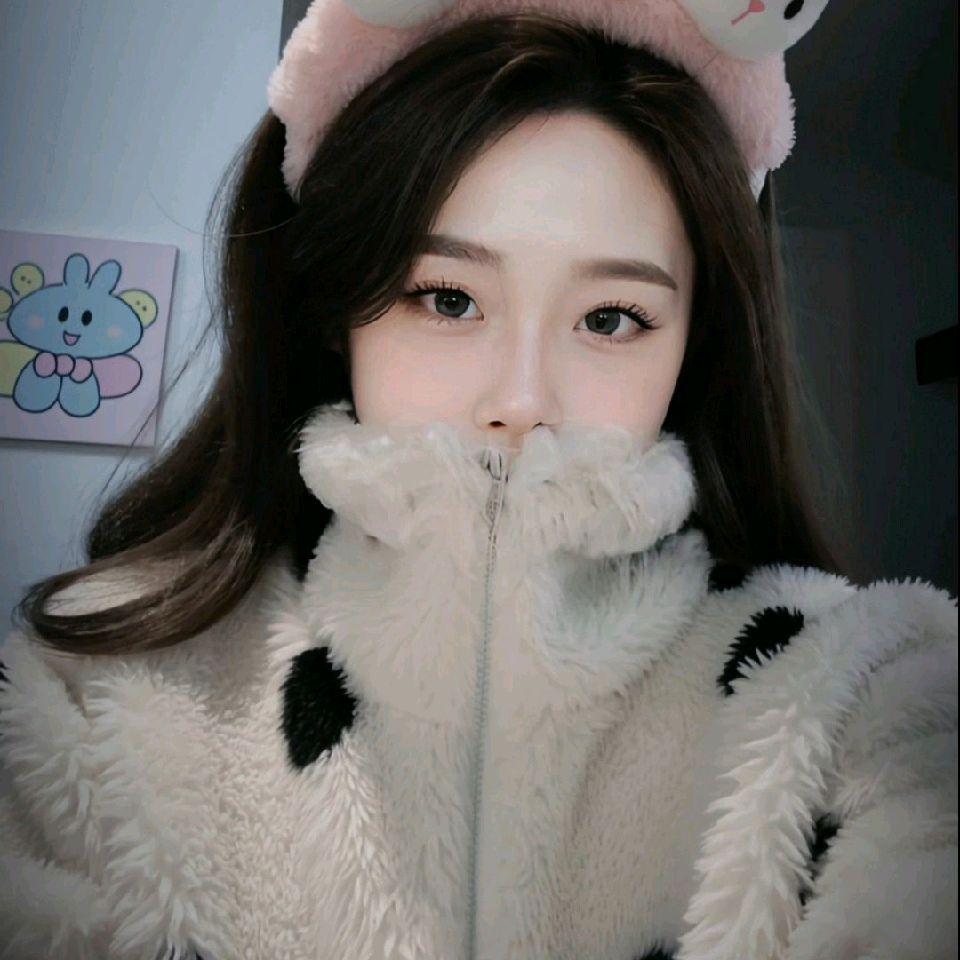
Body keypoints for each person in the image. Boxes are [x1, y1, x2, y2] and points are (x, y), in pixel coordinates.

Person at [1, 2, 956, 959]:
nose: (522, 402)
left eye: (612, 318)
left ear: (695, 349)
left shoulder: (849, 702)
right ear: (336, 308)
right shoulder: (92, 708)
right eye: (448, 299)